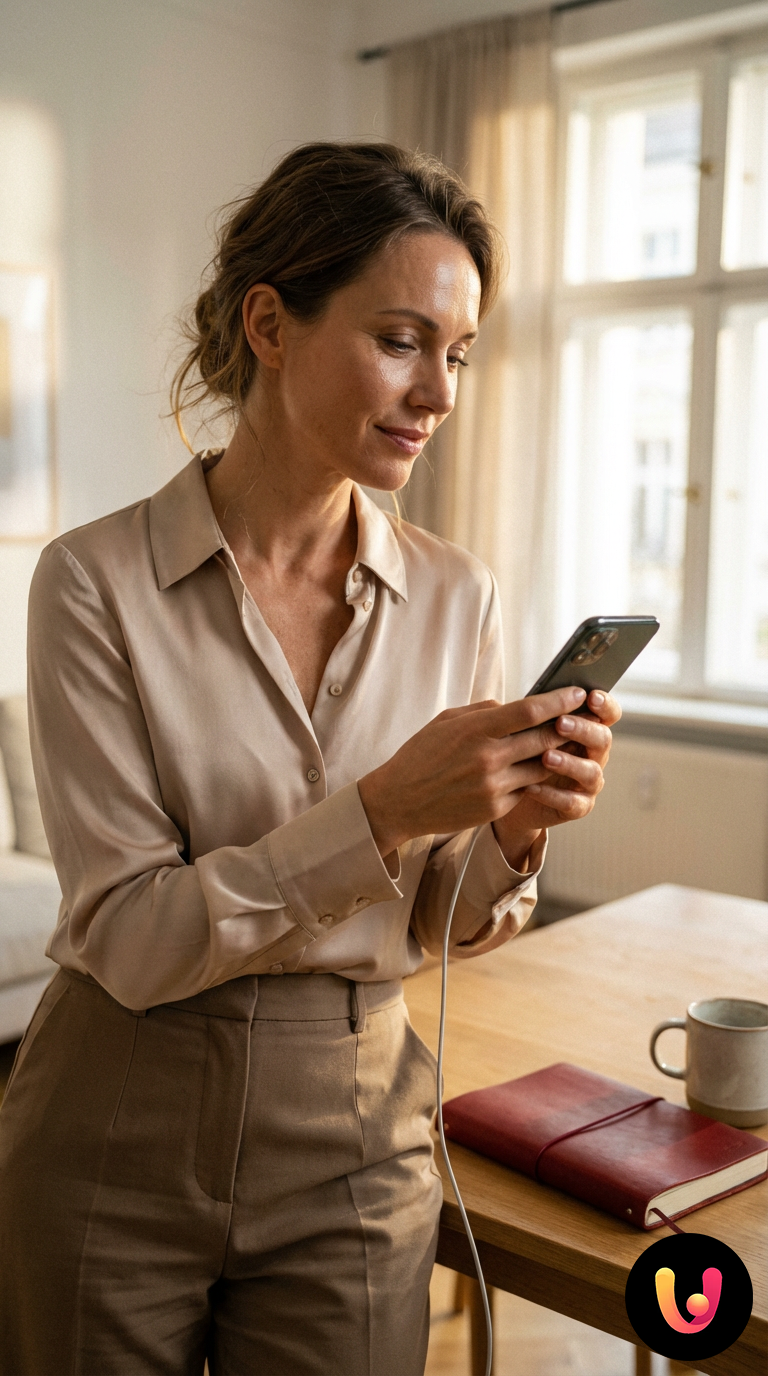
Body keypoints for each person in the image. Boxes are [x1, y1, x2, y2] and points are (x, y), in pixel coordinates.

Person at [0, 142, 619, 1375]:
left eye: (457, 352)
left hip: (358, 1134)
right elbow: (129, 931)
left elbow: (445, 915)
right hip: (113, 1119)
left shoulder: (458, 592)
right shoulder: (91, 582)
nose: (438, 392)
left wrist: (510, 830)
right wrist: (383, 808)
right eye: (401, 340)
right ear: (271, 324)